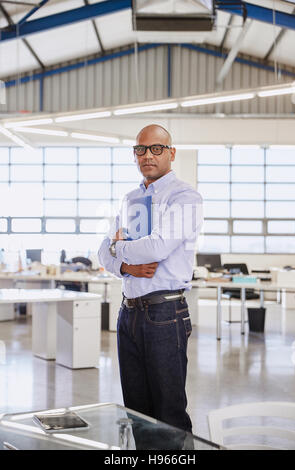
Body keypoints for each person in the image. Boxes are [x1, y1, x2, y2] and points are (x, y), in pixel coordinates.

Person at [98, 124, 203, 434]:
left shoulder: (184, 197)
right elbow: (103, 253)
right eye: (141, 149)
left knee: (168, 415)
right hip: (128, 312)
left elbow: (158, 246)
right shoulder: (130, 199)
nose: (148, 155)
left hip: (164, 314)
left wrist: (120, 247)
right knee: (137, 414)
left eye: (156, 148)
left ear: (171, 153)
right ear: (135, 155)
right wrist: (126, 266)